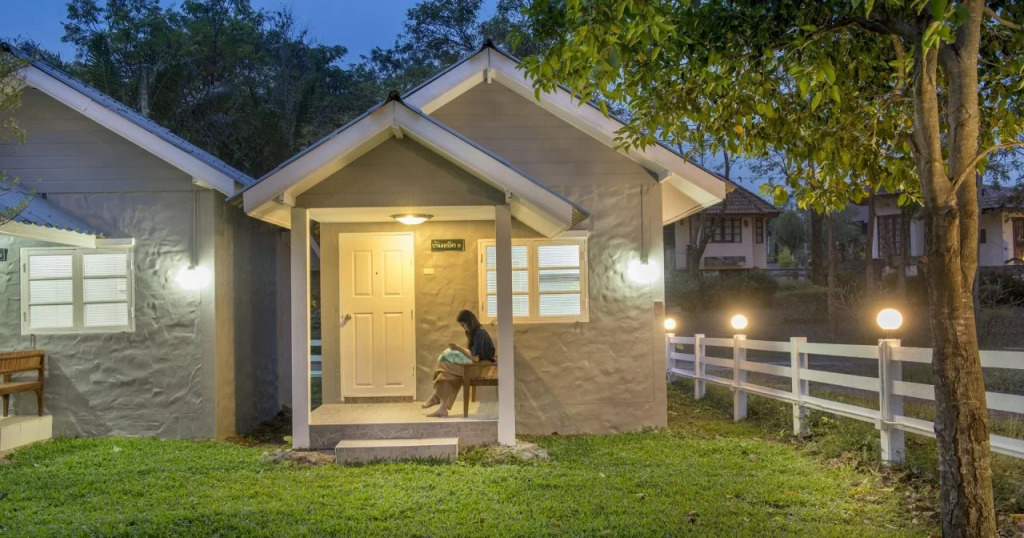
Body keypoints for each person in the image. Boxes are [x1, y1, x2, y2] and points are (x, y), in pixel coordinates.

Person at [422, 310, 495, 417]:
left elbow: (475, 358)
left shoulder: (480, 333)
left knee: (443, 366)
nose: (464, 328)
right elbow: (471, 353)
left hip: (482, 367)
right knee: (447, 374)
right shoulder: (473, 333)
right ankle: (442, 408)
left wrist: (458, 348)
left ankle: (436, 397)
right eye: (462, 326)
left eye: (464, 325)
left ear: (470, 321)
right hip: (476, 365)